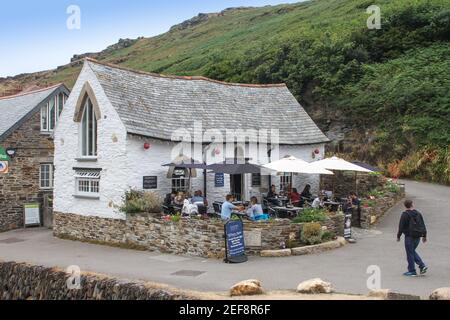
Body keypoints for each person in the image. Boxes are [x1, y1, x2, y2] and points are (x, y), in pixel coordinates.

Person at [397, 200, 428, 277]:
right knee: (412, 251)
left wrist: (398, 236)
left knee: (410, 253)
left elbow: (401, 227)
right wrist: (424, 236)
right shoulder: (418, 213)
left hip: (409, 236)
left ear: (405, 206)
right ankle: (421, 266)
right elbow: (423, 225)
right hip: (417, 236)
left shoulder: (404, 215)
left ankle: (413, 270)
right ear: (412, 205)